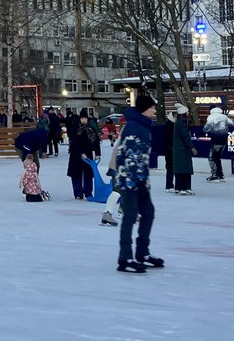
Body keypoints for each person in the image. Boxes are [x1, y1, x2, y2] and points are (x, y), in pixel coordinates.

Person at [110, 95, 162, 274]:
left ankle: (142, 253)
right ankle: (125, 257)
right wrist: (134, 181)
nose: (155, 111)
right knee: (130, 215)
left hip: (140, 179)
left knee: (148, 212)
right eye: (152, 108)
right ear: (144, 109)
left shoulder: (143, 125)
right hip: (130, 179)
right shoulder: (134, 126)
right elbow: (130, 156)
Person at [68, 111, 102, 200]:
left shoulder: (91, 129)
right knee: (76, 174)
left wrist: (98, 153)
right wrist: (81, 152)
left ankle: (88, 192)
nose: (84, 120)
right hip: (76, 155)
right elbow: (74, 142)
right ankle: (78, 192)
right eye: (82, 118)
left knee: (88, 174)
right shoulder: (76, 129)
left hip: (88, 155)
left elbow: (96, 142)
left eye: (85, 118)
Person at [170, 103, 195, 195]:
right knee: (182, 169)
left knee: (185, 169)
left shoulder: (182, 122)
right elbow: (185, 136)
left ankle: (186, 186)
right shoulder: (180, 123)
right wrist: (191, 147)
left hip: (182, 149)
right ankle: (180, 187)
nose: (188, 113)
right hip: (181, 150)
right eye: (187, 112)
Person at [204, 107, 231, 182]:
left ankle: (215, 174)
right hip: (223, 141)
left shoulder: (211, 117)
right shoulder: (224, 117)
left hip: (215, 141)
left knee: (212, 158)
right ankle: (220, 174)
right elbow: (232, 122)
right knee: (217, 158)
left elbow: (207, 128)